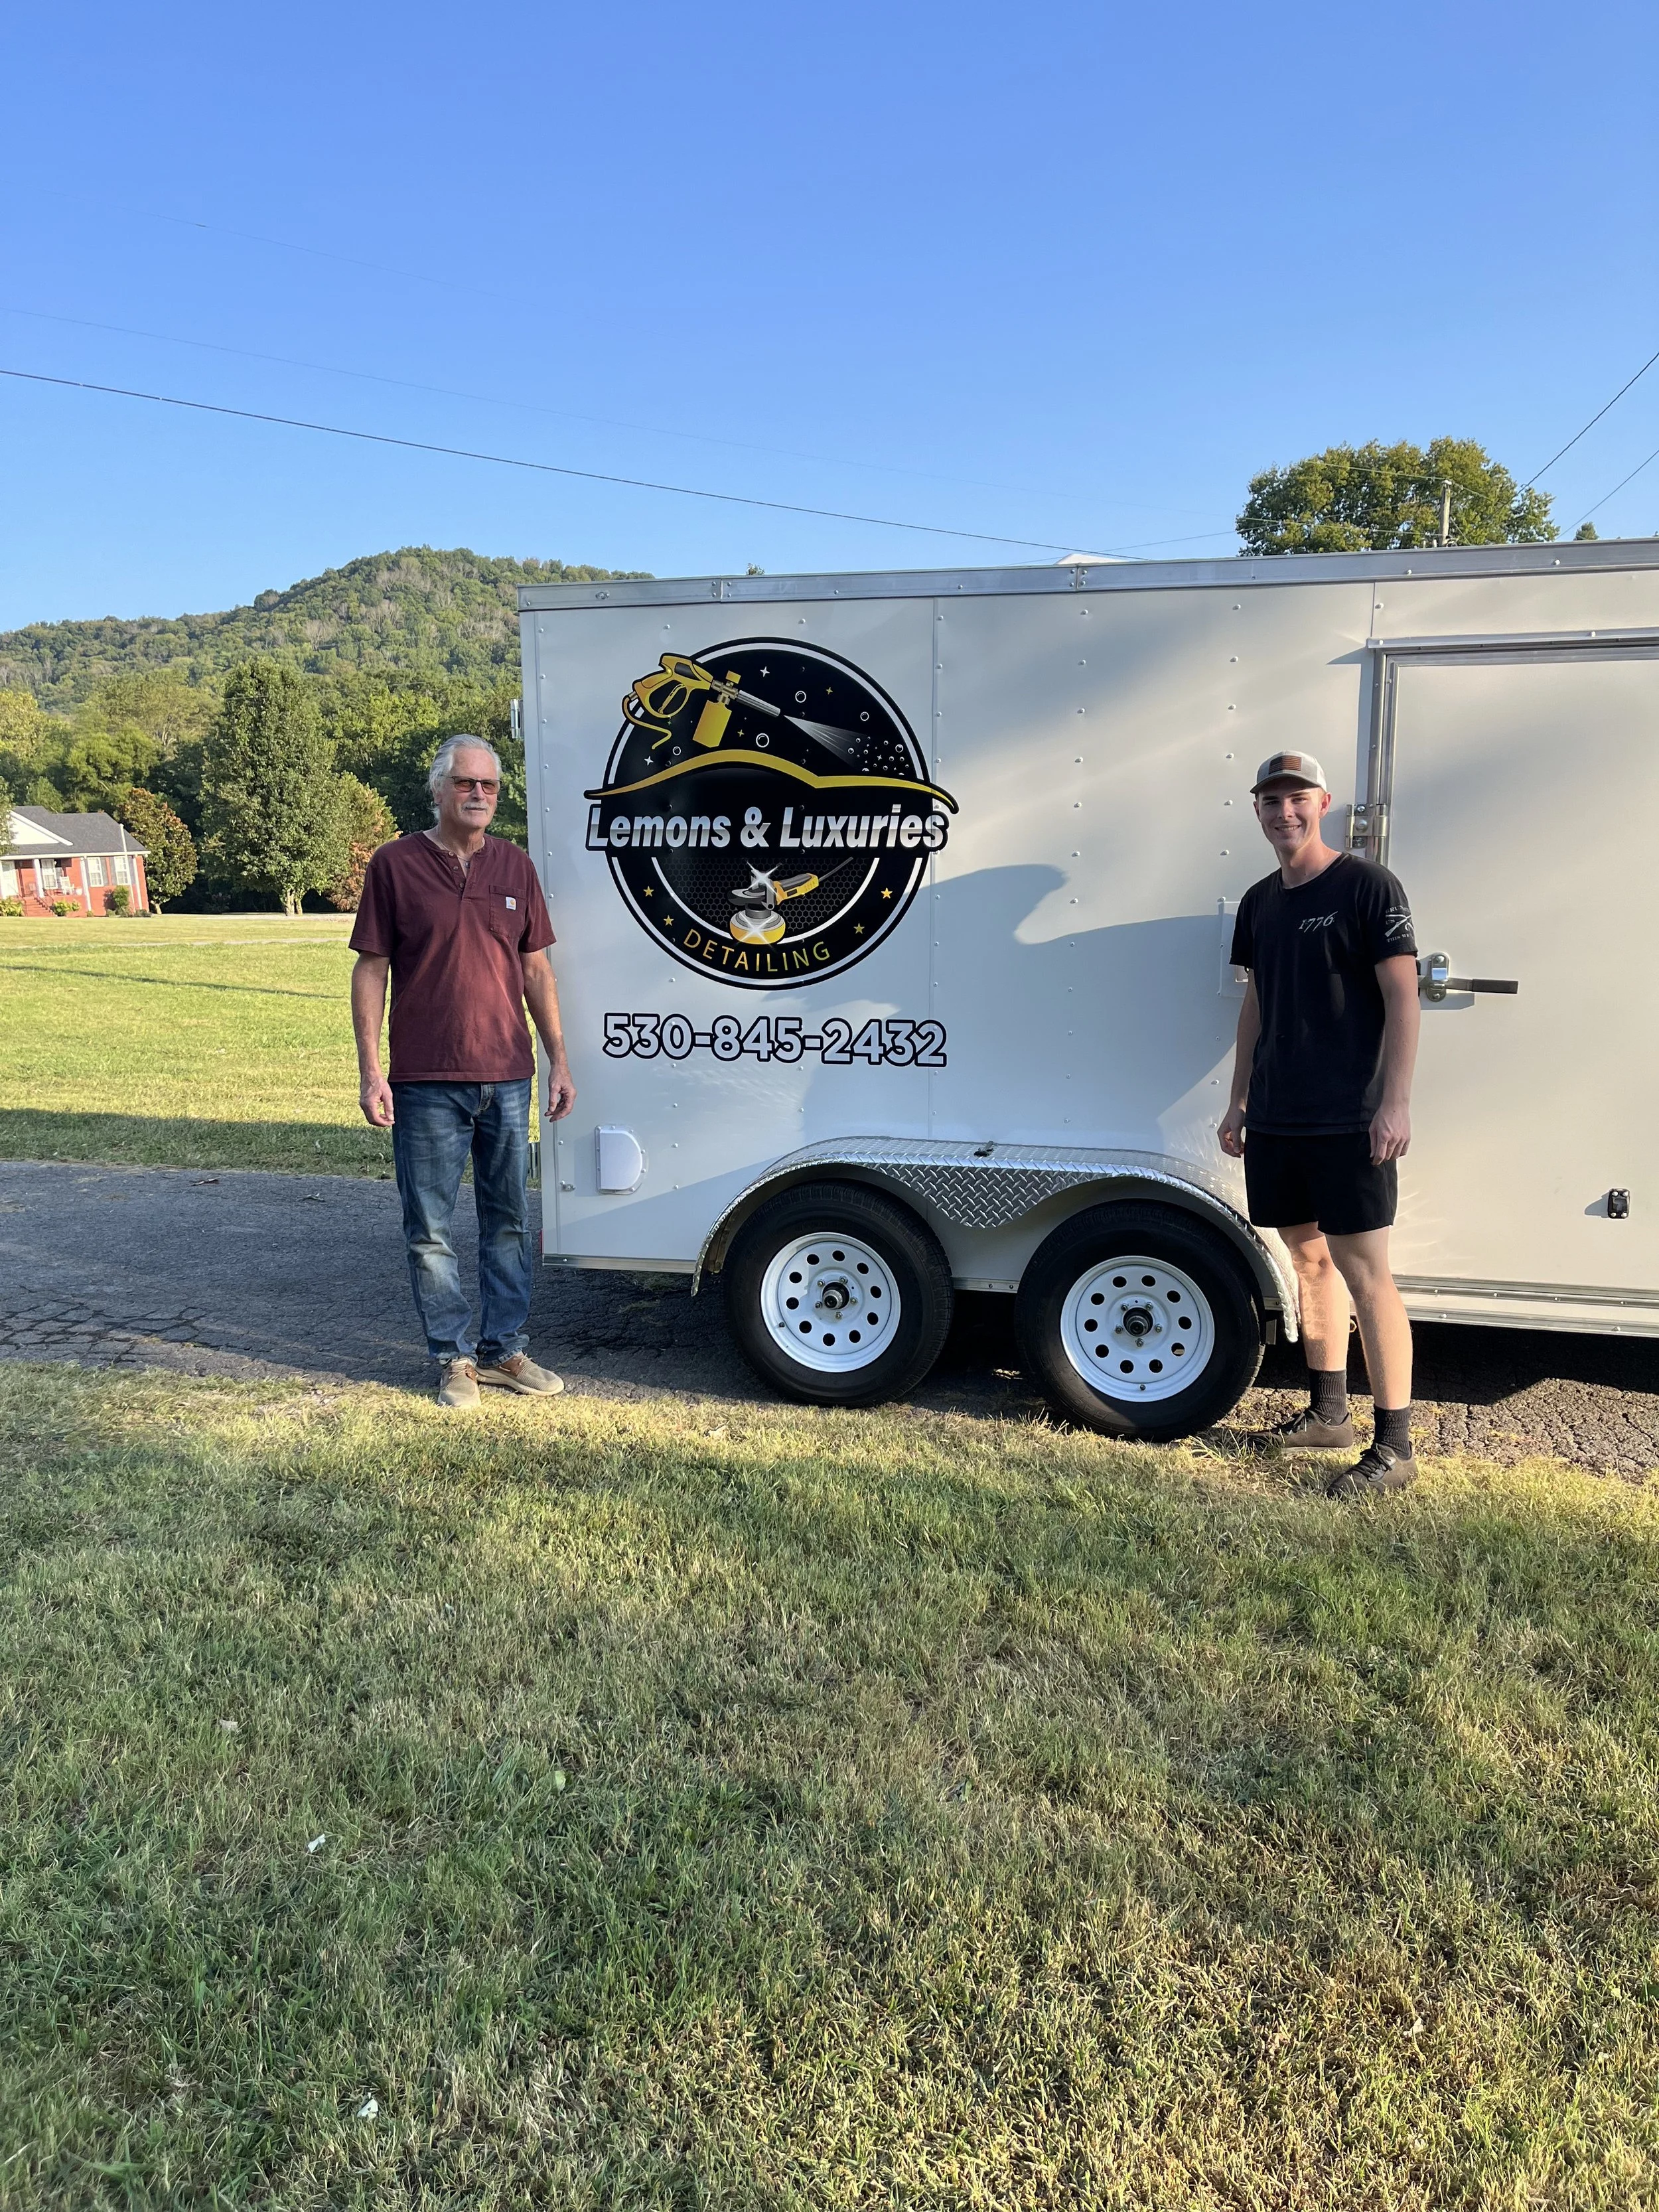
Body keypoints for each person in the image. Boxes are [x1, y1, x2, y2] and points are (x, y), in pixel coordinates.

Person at [350, 734, 577, 1409]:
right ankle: (452, 1360)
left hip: (507, 1078)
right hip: (424, 1082)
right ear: (439, 789)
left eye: (490, 786)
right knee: (431, 1229)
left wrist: (557, 1059)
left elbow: (536, 969)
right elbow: (371, 968)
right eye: (465, 784)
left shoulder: (515, 868)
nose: (479, 795)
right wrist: (371, 1070)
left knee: (508, 1221)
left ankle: (503, 1351)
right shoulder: (394, 865)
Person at [1217, 750, 1421, 1496]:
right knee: (1307, 1261)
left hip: (1348, 1119)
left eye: (1296, 798)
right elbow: (1256, 1004)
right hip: (1278, 1115)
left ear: (1323, 802)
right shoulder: (1259, 901)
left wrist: (1393, 1103)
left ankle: (1394, 1446)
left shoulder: (1367, 886)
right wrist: (1240, 1099)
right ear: (1258, 812)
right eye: (1271, 801)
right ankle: (1329, 1412)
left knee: (1369, 1277)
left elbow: (1403, 998)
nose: (1284, 812)